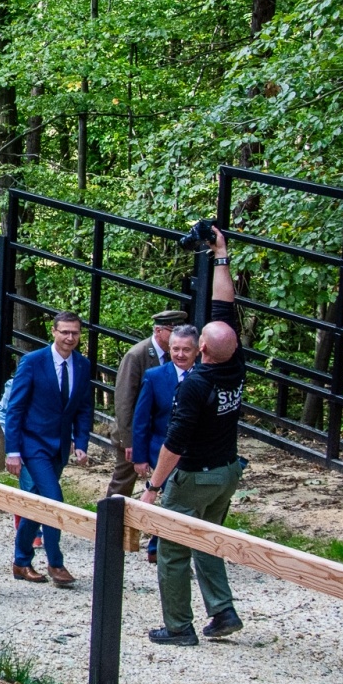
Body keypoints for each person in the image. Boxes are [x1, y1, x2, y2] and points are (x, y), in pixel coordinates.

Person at [141, 228, 247, 646]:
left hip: (195, 476)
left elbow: (174, 443)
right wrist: (220, 255)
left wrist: (152, 488)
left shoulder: (195, 385)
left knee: (172, 549)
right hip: (227, 472)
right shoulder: (235, 363)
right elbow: (225, 307)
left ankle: (179, 626)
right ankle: (222, 612)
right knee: (209, 539)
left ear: (200, 346)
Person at [2, 311, 92, 588]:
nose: (69, 337)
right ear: (53, 332)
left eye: (74, 332)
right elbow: (15, 408)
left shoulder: (83, 365)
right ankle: (56, 562)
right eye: (64, 331)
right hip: (33, 444)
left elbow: (84, 407)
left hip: (60, 446)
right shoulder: (33, 362)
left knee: (36, 501)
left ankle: (21, 560)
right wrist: (12, 450)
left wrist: (81, 443)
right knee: (53, 500)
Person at [132, 324, 199, 564]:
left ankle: (161, 545)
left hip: (194, 453)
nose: (180, 354)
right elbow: (141, 419)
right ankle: (159, 546)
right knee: (170, 497)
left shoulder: (204, 377)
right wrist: (139, 456)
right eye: (175, 349)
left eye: (186, 350)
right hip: (161, 449)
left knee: (180, 502)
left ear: (197, 350)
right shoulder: (154, 376)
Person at [110, 309, 187, 497]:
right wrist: (129, 441)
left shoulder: (176, 355)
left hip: (160, 432)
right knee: (123, 481)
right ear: (158, 331)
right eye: (172, 330)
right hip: (136, 432)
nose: (176, 337)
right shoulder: (137, 356)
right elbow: (124, 401)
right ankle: (109, 522)